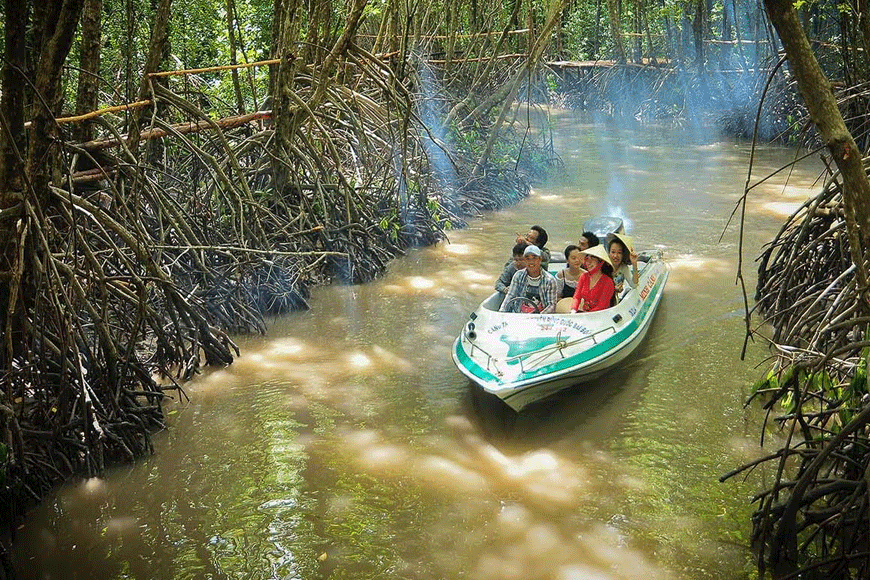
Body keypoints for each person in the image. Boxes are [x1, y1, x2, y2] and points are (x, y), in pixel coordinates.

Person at [499, 245, 558, 314]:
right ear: (524, 260)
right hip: (519, 315)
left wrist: (538, 317)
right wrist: (501, 313)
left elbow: (551, 305)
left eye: (534, 258)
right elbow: (510, 296)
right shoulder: (518, 276)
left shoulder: (550, 280)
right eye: (528, 258)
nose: (531, 262)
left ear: (540, 259)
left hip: (540, 317)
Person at [570, 244, 615, 313]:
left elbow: (602, 306)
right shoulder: (584, 276)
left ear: (601, 262)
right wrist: (573, 310)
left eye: (593, 258)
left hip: (602, 316)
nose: (588, 262)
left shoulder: (608, 282)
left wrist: (586, 315)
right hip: (586, 315)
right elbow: (577, 297)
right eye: (587, 259)